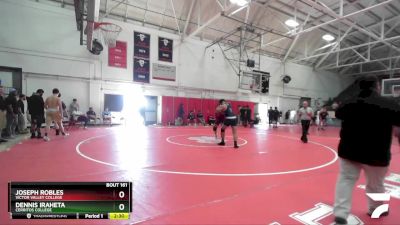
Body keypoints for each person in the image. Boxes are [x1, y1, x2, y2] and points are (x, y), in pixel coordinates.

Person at [332, 76, 400, 225]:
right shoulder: (389, 104)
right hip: (377, 154)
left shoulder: (348, 103)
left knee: (346, 180)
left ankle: (341, 214)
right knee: (376, 184)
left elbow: (337, 113)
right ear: (377, 86)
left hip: (349, 151)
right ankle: (376, 209)